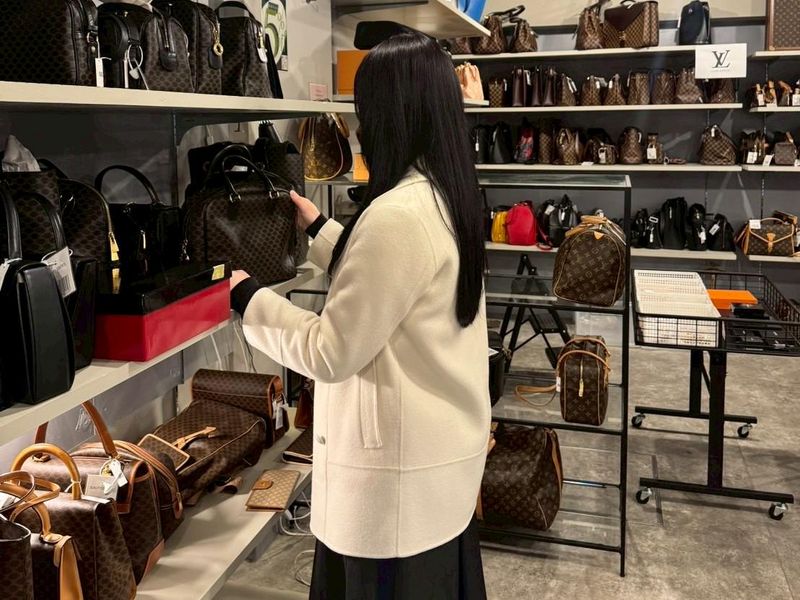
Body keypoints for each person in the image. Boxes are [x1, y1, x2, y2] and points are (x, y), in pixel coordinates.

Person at [230, 29, 490, 599]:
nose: (357, 125)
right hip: (434, 469)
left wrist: (248, 300)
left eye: (364, 109)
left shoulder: (397, 214)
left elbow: (331, 351)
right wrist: (320, 230)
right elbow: (394, 282)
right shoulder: (448, 192)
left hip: (391, 494)